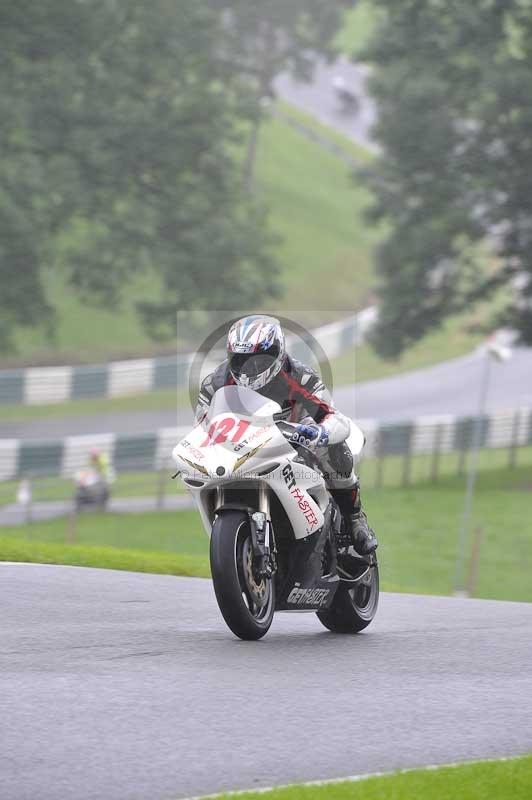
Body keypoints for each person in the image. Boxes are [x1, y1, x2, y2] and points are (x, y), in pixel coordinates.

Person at [195, 315, 377, 555]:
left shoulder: (300, 377)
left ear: (278, 352)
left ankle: (354, 518)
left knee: (332, 448)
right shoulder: (215, 383)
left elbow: (333, 417)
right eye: (242, 360)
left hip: (295, 442)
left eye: (260, 359)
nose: (251, 367)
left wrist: (319, 432)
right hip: (244, 446)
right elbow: (202, 424)